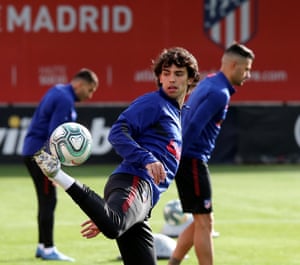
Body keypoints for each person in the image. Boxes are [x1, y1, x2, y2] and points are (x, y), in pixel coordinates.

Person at [33, 47, 200, 265]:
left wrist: (109, 213)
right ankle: (58, 174)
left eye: (178, 74)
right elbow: (117, 131)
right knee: (114, 226)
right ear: (159, 77)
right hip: (133, 182)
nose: (171, 79)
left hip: (139, 206)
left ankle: (112, 217)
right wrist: (147, 159)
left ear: (191, 80)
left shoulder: (176, 113)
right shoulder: (154, 103)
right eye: (166, 73)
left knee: (116, 226)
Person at [168, 43, 255, 265]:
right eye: (245, 69)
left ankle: (173, 262)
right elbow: (194, 126)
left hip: (188, 158)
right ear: (233, 65)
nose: (248, 74)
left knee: (201, 220)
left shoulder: (211, 81)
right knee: (205, 221)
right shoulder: (220, 93)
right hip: (192, 160)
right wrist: (177, 158)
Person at [22, 69, 99, 261]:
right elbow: (56, 135)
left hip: (33, 150)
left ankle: (42, 246)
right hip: (41, 154)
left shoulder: (57, 91)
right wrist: (54, 168)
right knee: (49, 200)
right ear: (79, 84)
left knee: (45, 200)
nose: (89, 96)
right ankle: (48, 249)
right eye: (89, 90)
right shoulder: (65, 99)